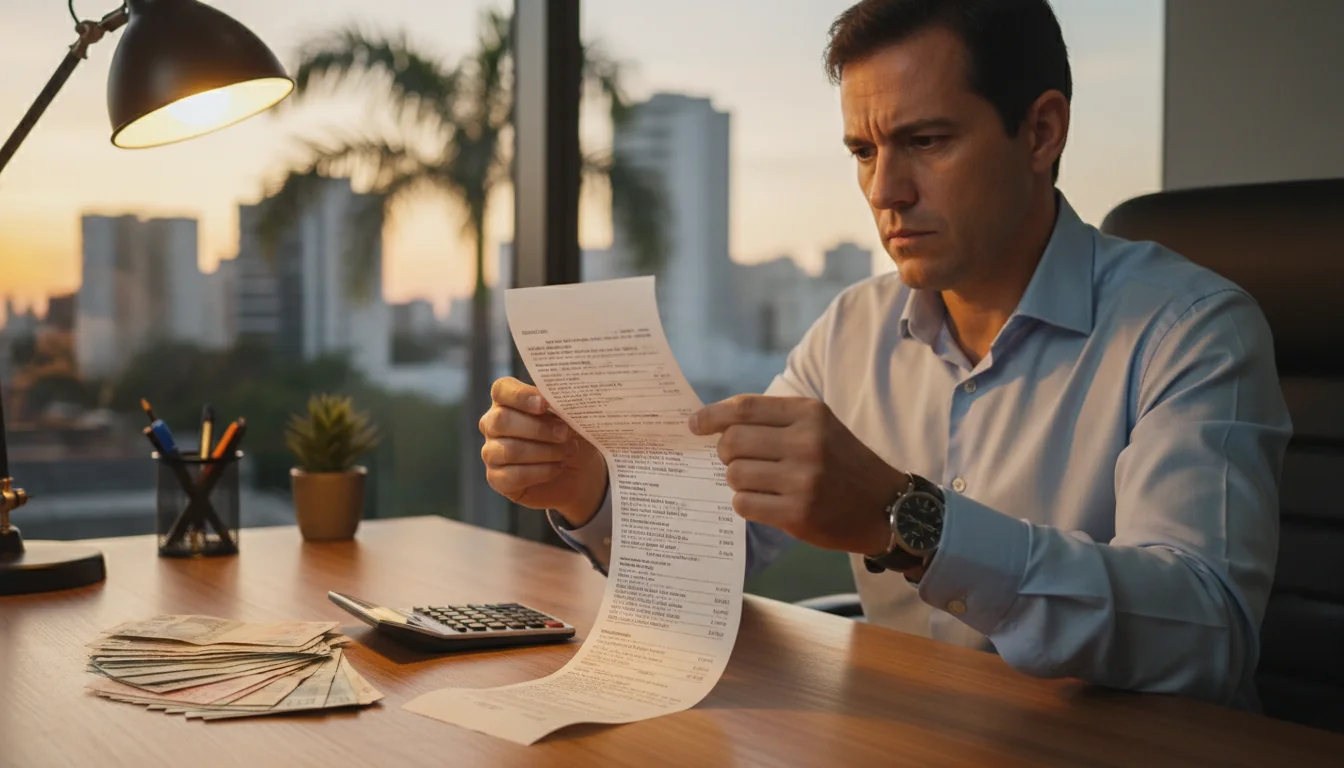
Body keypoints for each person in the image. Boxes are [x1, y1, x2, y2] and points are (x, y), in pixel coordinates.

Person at [478, 0, 1291, 710]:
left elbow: (1206, 632)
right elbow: (717, 554)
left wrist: (910, 523)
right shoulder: (850, 330)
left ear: (1041, 132)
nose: (884, 191)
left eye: (926, 140)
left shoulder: (1191, 329)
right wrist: (592, 493)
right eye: (863, 152)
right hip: (908, 733)